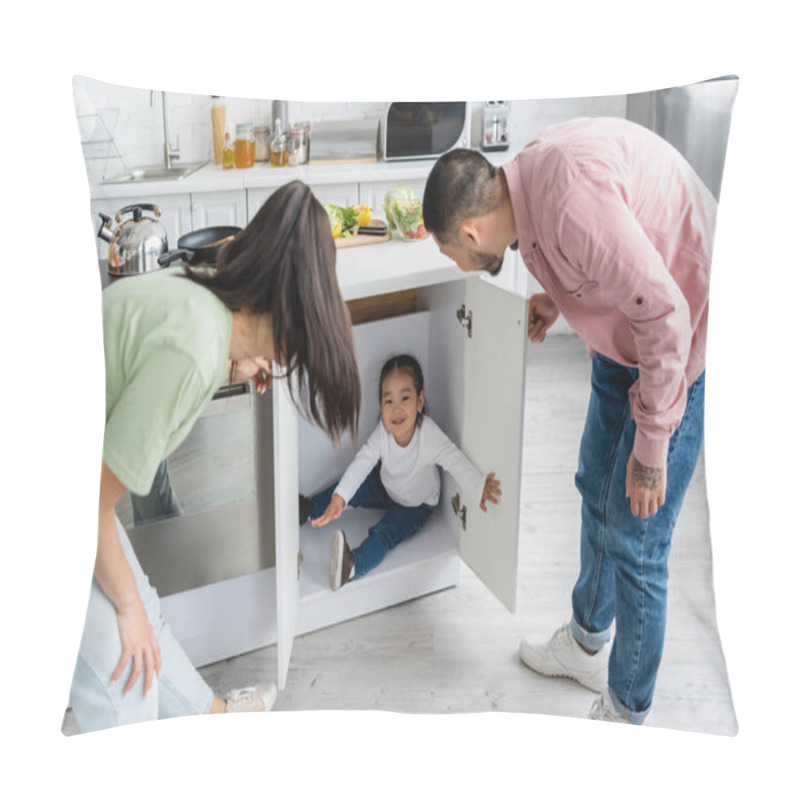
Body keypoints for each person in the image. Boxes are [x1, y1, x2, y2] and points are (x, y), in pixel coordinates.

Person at [422, 117, 717, 724]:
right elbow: (603, 251)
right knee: (595, 490)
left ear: (471, 230)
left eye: (451, 251)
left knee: (638, 536)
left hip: (682, 328)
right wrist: (559, 299)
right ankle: (586, 642)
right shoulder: (524, 185)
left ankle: (628, 712)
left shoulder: (568, 198)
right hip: (624, 330)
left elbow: (665, 317)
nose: (456, 263)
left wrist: (651, 447)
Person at [67, 180, 362, 733]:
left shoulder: (199, 298)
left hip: (54, 465)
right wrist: (125, 609)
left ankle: (218, 727)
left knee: (141, 614)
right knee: (123, 685)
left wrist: (238, 356)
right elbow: (84, 503)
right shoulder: (196, 351)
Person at [303, 354, 502, 591]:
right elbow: (362, 463)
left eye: (405, 398)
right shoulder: (383, 433)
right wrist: (340, 497)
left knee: (385, 533)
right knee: (353, 486)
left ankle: (351, 565)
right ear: (381, 407)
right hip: (387, 486)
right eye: (388, 401)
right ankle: (306, 509)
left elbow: (454, 460)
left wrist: (478, 487)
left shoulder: (428, 436)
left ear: (419, 402)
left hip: (416, 505)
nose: (396, 408)